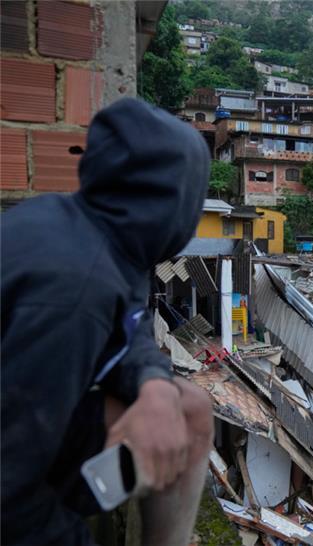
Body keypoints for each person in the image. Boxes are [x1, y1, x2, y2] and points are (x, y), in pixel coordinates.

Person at [1, 98, 214, 546]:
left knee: (188, 410)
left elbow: (130, 323)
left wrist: (154, 384)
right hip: (14, 476)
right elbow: (7, 491)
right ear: (176, 202)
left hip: (32, 433)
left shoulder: (94, 232)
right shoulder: (73, 294)